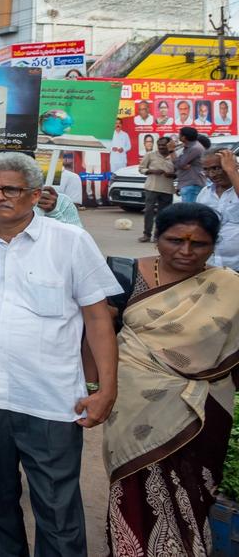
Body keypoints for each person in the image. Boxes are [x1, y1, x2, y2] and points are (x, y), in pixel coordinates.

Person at [0, 152, 121, 557]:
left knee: (57, 510)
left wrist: (105, 388)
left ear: (36, 195)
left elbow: (98, 319)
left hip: (50, 401)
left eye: (10, 189)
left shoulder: (70, 241)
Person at [104, 203, 239, 555]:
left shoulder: (228, 287)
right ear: (156, 239)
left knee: (195, 487)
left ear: (213, 246)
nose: (185, 251)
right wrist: (95, 388)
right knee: (134, 482)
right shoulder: (123, 274)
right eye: (174, 240)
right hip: (135, 403)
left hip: (205, 409)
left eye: (199, 244)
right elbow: (97, 336)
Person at [0, 152, 82, 228]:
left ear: (35, 195)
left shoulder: (62, 202)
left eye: (11, 189)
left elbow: (77, 248)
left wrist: (53, 212)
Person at [199, 147, 239, 269]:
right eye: (206, 170)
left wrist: (232, 171)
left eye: (217, 168)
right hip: (212, 265)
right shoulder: (205, 193)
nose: (211, 175)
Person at [137, 136, 177, 243]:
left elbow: (180, 171)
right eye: (159, 145)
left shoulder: (174, 156)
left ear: (169, 145)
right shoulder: (151, 155)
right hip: (152, 187)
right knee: (149, 212)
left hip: (167, 189)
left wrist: (173, 175)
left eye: (164, 145)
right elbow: (141, 169)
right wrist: (152, 171)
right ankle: (146, 234)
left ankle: (158, 235)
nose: (161, 147)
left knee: (163, 214)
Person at [174, 126, 207, 204]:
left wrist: (171, 151)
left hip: (192, 184)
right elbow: (180, 164)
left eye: (179, 134)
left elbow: (179, 164)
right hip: (187, 183)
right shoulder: (188, 147)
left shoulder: (195, 148)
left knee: (190, 212)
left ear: (184, 137)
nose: (178, 136)